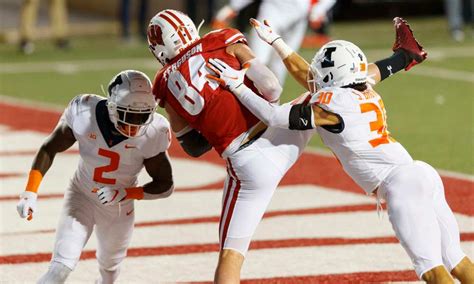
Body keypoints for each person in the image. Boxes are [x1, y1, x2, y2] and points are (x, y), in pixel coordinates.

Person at [147, 9, 421, 282]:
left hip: (247, 166)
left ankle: (405, 56)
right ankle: (403, 57)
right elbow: (272, 89)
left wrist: (214, 116)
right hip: (282, 133)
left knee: (231, 254)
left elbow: (194, 147)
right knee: (334, 87)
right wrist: (238, 85)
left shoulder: (163, 82)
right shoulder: (221, 38)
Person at [207, 17, 474, 284]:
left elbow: (275, 116)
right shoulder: (365, 87)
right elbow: (318, 77)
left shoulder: (332, 103)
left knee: (433, 272)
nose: (316, 76)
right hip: (421, 174)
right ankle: (407, 55)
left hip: (400, 185)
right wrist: (278, 43)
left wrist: (237, 86)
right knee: (456, 259)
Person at [16, 70, 174, 283]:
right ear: (111, 107)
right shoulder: (85, 112)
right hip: (81, 195)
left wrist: (126, 192)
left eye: (143, 116)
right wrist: (30, 192)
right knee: (60, 267)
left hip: (119, 207)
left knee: (109, 271)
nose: (135, 125)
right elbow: (49, 148)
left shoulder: (155, 131)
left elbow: (165, 185)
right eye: (128, 115)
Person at [212, 0, 336, 86]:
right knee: (255, 61)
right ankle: (242, 105)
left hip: (298, 18)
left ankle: (271, 108)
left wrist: (318, 10)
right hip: (272, 12)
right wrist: (233, 7)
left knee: (281, 65)